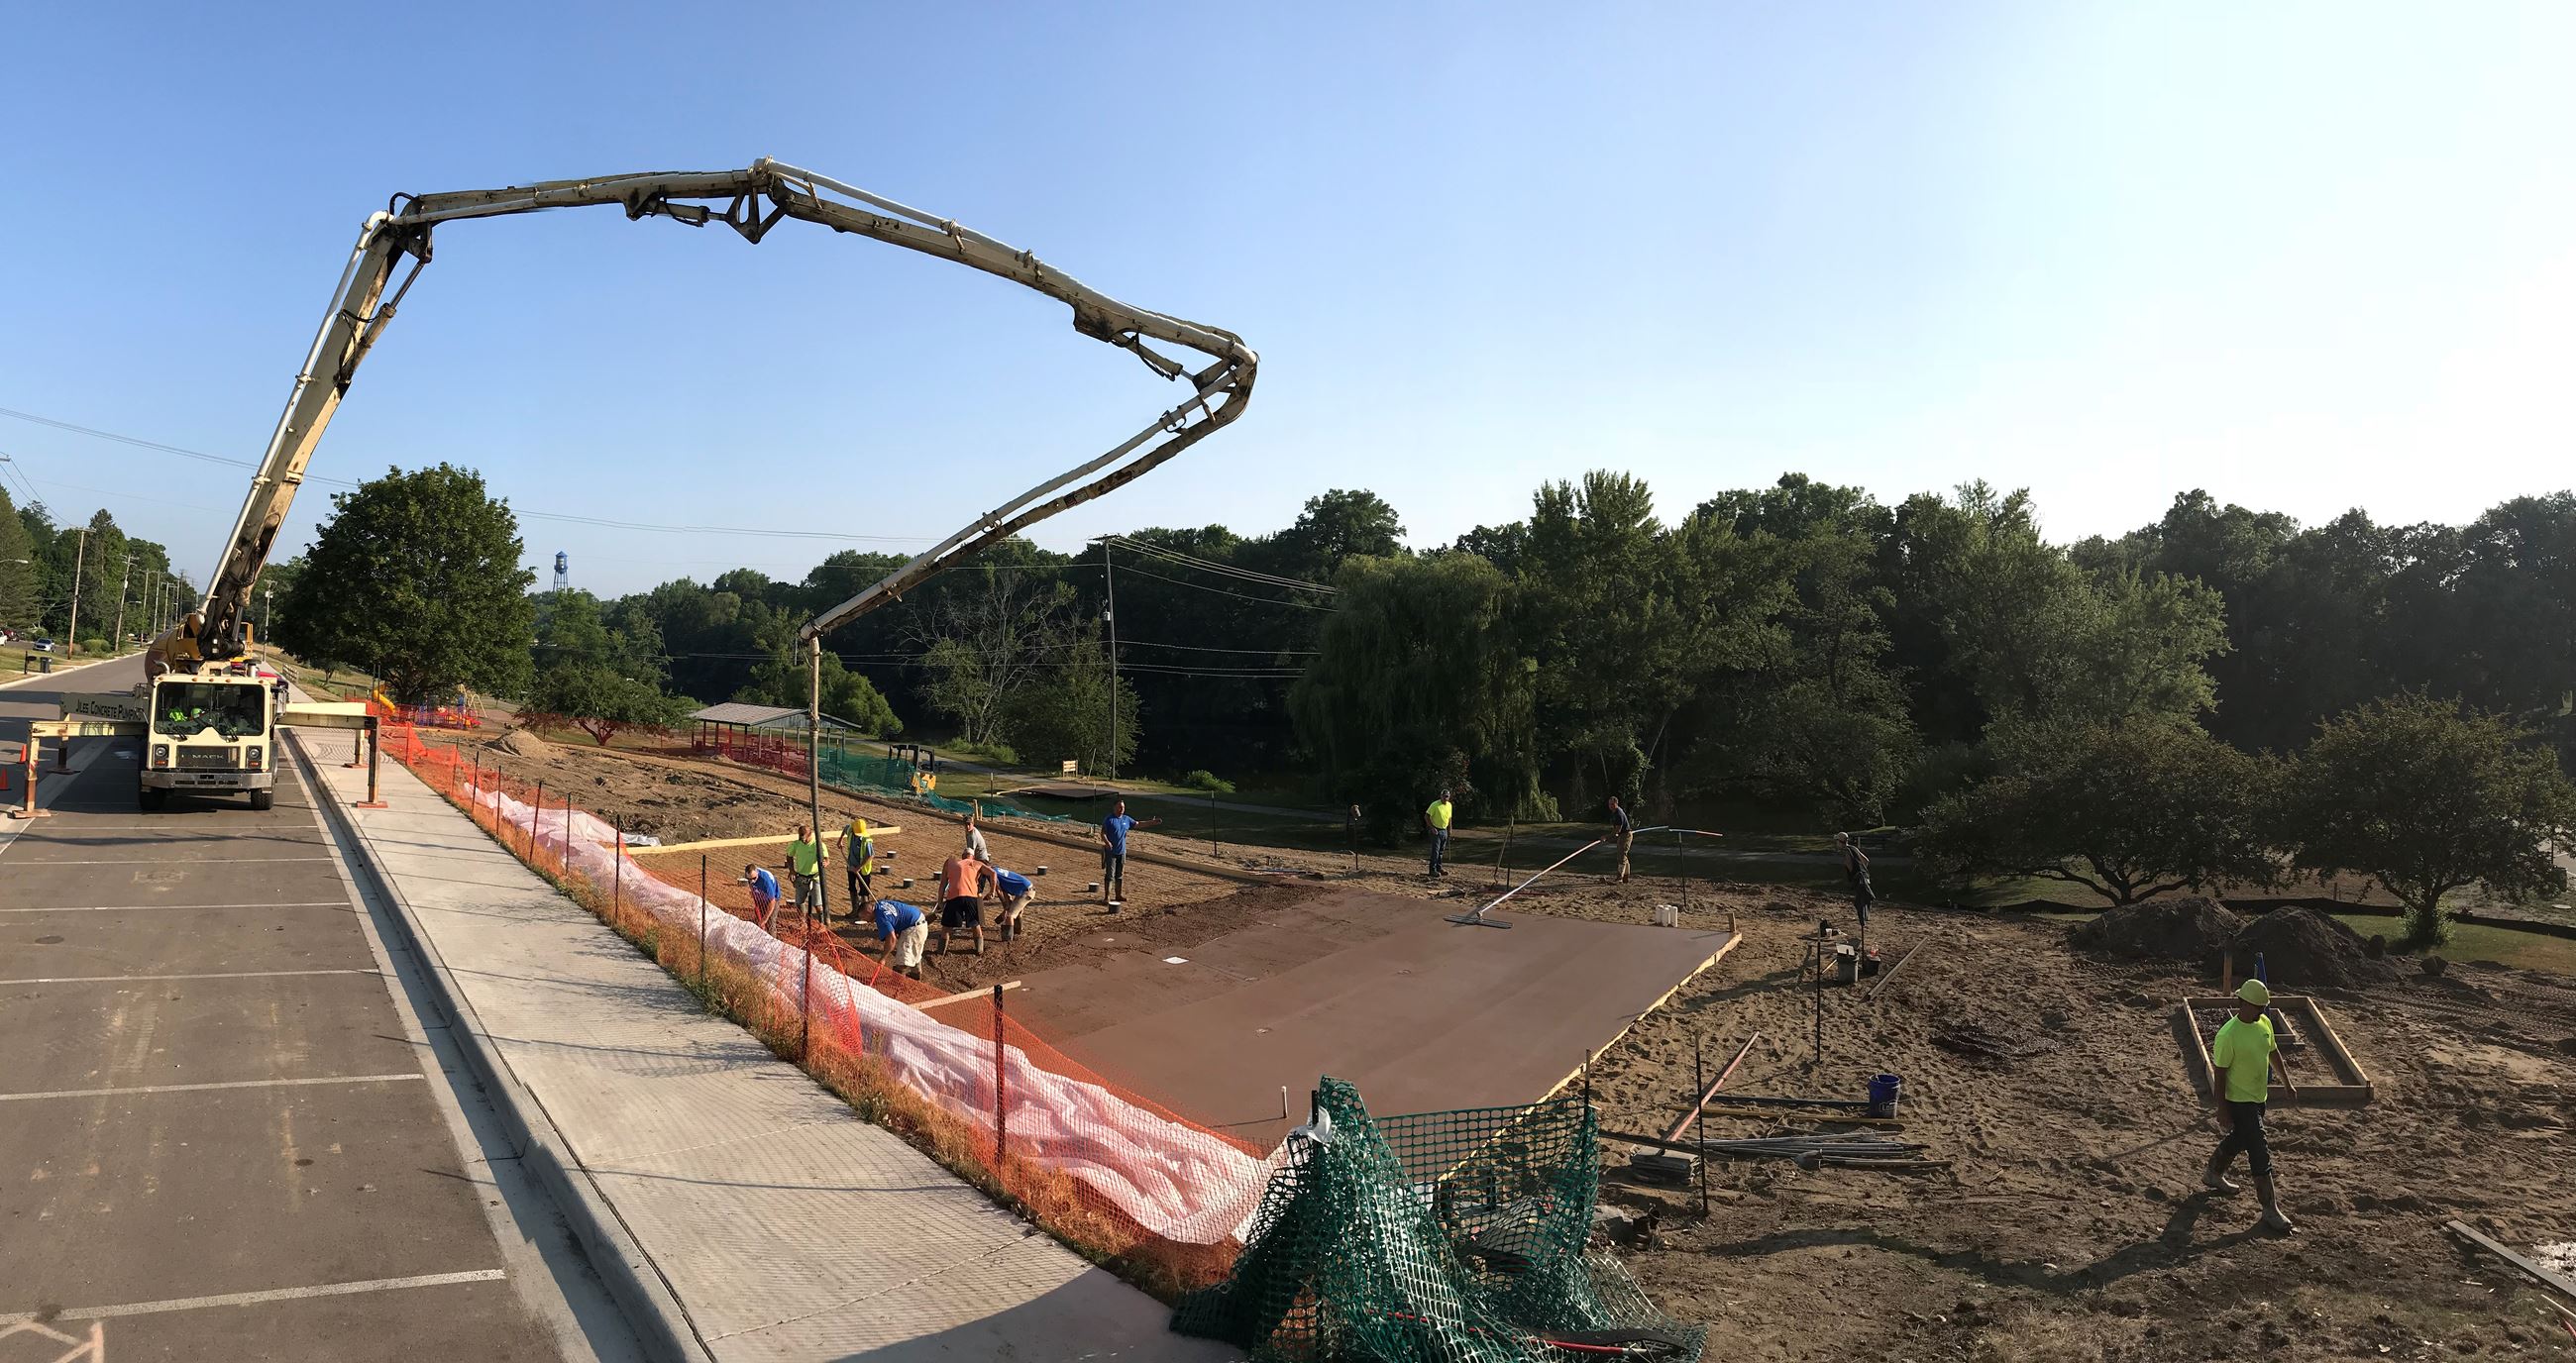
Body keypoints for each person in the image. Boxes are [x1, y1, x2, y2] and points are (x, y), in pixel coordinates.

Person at [2204, 978, 2299, 1232]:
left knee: (2241, 1138)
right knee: (2259, 1148)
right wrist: (2222, 1109)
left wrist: (2287, 1082)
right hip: (2239, 1100)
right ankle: (2269, 1209)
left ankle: (2213, 1172)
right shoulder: (2228, 1035)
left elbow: (2272, 1052)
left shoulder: (2264, 1023)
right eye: (2258, 1007)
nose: (2261, 1011)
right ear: (2243, 1003)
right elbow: (2220, 1074)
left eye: (2263, 1007)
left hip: (2258, 1098)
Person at [935, 845, 995, 956]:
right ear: (973, 857)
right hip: (971, 897)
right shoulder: (976, 863)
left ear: (962, 856)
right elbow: (993, 873)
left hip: (954, 897)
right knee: (975, 924)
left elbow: (943, 884)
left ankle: (940, 952)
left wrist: (940, 900)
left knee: (946, 926)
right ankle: (979, 950)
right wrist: (992, 891)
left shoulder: (950, 862)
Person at [1099, 800, 1160, 907]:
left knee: (1119, 875)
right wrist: (1107, 842)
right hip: (1111, 852)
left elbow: (1138, 824)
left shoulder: (1126, 819)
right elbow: (1102, 833)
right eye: (1119, 807)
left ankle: (1118, 895)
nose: (1121, 809)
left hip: (1122, 852)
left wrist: (1151, 822)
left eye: (1123, 807)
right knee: (1110, 875)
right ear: (1114, 808)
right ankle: (1107, 897)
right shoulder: (1109, 819)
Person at [868, 897, 929, 981]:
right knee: (913, 951)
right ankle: (915, 975)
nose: (864, 920)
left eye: (863, 917)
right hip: (919, 920)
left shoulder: (881, 918)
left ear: (868, 913)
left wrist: (883, 958)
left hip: (914, 928)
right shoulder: (880, 904)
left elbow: (892, 939)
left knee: (902, 959)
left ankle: (896, 983)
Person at [1834, 831, 1874, 936]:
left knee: (1859, 902)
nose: (1836, 843)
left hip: (1858, 880)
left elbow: (1849, 866)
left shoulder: (1846, 852)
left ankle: (1863, 922)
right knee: (1862, 900)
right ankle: (1865, 919)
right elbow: (1866, 860)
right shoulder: (1853, 848)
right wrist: (1862, 870)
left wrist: (1852, 875)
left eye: (1837, 841)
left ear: (1840, 842)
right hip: (1865, 877)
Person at [839, 815, 878, 919]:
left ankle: (866, 914)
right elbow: (845, 828)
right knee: (852, 887)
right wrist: (840, 840)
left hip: (863, 869)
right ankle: (855, 911)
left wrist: (859, 867)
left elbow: (870, 855)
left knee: (864, 890)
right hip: (851, 865)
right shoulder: (851, 830)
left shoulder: (866, 840)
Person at [786, 824, 826, 919]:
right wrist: (792, 870)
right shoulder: (796, 844)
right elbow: (789, 855)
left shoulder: (818, 845)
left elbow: (827, 859)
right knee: (799, 902)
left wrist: (825, 862)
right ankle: (802, 921)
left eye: (803, 836)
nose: (801, 839)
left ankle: (822, 922)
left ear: (809, 834)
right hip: (801, 878)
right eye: (800, 836)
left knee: (818, 905)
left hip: (815, 878)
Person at [994, 866, 1034, 942]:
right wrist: (1007, 906)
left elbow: (999, 891)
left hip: (1026, 892)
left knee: (1010, 915)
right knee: (1015, 911)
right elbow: (1004, 892)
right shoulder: (996, 871)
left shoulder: (992, 874)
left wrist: (1006, 908)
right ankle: (1017, 932)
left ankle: (1007, 940)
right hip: (1025, 890)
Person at [738, 862, 781, 930]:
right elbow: (752, 886)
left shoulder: (765, 881)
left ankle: (771, 936)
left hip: (773, 899)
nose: (752, 881)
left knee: (770, 922)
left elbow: (772, 901)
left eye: (754, 878)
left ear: (757, 872)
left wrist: (765, 919)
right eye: (749, 879)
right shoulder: (751, 878)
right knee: (759, 919)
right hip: (761, 896)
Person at [1424, 789, 1453, 878]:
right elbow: (1426, 816)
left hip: (1444, 830)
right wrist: (1432, 828)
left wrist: (1450, 829)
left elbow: (1449, 818)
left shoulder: (1449, 805)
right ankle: (1432, 870)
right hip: (1436, 830)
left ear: (1449, 797)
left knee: (1441, 851)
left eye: (1447, 796)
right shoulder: (1435, 805)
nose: (1445, 798)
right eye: (1444, 796)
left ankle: (1438, 867)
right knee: (1435, 851)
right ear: (1441, 796)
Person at [1608, 795, 1636, 884]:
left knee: (1621, 855)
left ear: (1616, 804)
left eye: (1612, 804)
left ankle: (1620, 877)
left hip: (1626, 835)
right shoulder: (1614, 813)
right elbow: (1617, 830)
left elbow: (1618, 829)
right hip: (1622, 835)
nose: (1611, 806)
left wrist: (1607, 837)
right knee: (1622, 855)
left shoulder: (1618, 813)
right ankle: (1626, 877)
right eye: (1610, 804)